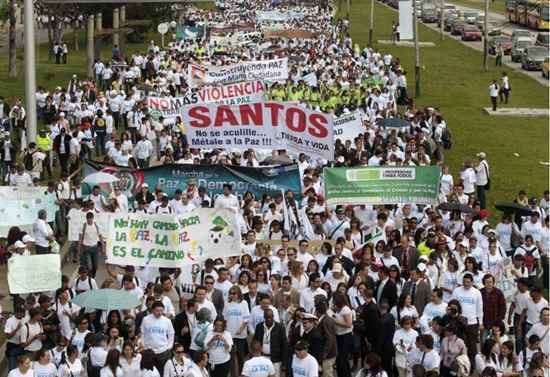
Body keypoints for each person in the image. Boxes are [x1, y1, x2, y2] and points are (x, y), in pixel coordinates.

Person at [140, 301, 175, 373]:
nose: (159, 313)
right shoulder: (146, 319)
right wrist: (143, 345)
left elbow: (171, 334)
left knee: (162, 372)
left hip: (163, 351)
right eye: (157, 310)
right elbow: (142, 333)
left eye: (161, 310)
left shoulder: (167, 321)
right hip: (148, 351)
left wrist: (169, 346)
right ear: (152, 310)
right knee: (148, 371)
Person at [253, 309, 288, 377]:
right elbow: (255, 341)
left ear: (273, 316)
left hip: (276, 360)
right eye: (267, 317)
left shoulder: (280, 328)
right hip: (262, 358)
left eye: (270, 317)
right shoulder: (259, 327)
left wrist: (284, 363)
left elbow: (284, 345)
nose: (269, 319)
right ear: (264, 317)